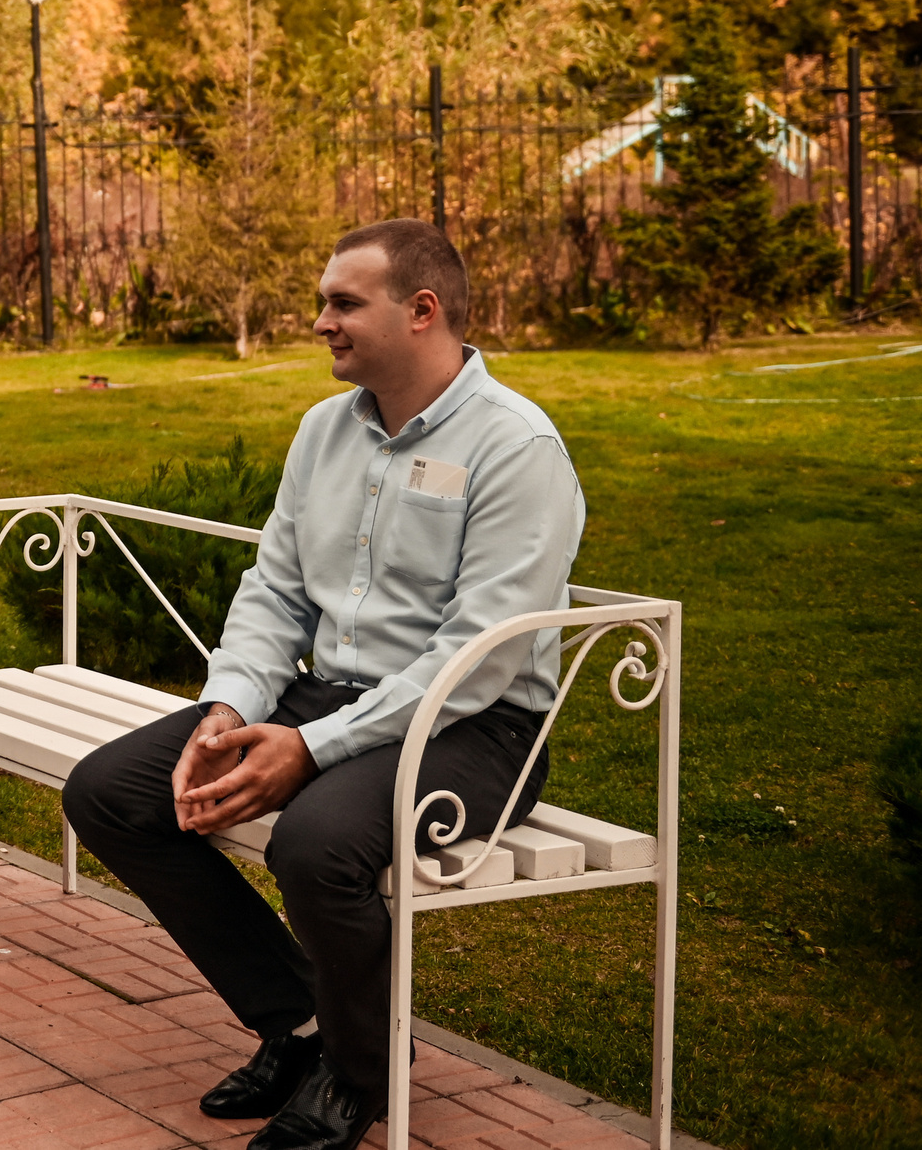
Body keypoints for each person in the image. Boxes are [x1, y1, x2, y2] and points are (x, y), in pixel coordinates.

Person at [61, 220, 584, 1150]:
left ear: (422, 311)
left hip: (478, 723)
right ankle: (302, 1022)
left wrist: (308, 749)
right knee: (114, 792)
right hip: (332, 696)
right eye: (324, 302)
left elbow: (480, 651)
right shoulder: (323, 429)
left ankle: (357, 1074)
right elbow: (275, 592)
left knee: (315, 843)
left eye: (344, 302)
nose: (320, 321)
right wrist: (231, 708)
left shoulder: (516, 447)